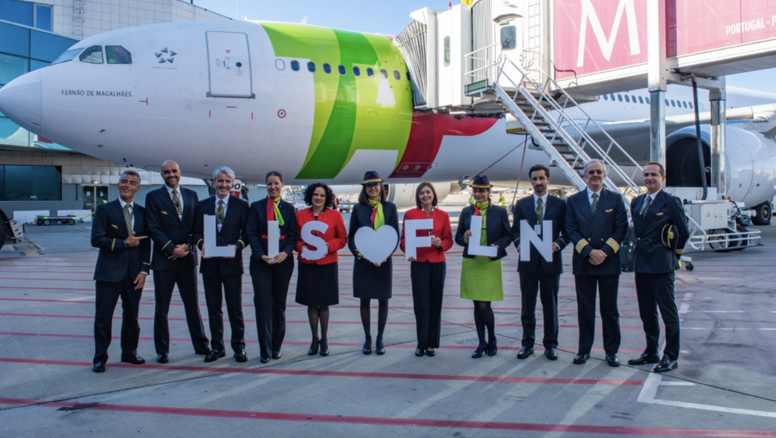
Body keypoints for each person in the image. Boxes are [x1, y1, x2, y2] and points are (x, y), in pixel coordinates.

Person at [146, 160, 209, 364]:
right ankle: (162, 350)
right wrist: (171, 248)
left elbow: (196, 225)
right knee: (161, 307)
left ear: (180, 172)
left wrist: (187, 247)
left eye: (174, 171)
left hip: (187, 259)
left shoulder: (191, 195)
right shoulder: (153, 197)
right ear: (162, 175)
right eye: (166, 172)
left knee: (192, 305)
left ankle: (201, 344)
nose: (171, 174)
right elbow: (153, 228)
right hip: (164, 261)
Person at [566, 159, 628, 366]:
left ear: (605, 175)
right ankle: (584, 350)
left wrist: (605, 252)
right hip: (584, 262)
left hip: (608, 262)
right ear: (584, 176)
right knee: (585, 309)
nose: (595, 175)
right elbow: (571, 230)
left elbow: (621, 230)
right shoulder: (573, 201)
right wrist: (589, 251)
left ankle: (611, 351)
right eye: (591, 172)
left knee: (610, 310)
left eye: (599, 172)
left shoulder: (616, 199)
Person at [628, 162, 689, 373]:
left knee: (667, 311)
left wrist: (675, 256)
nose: (649, 178)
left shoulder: (671, 201)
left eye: (654, 175)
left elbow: (683, 231)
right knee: (647, 312)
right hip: (642, 263)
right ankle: (651, 351)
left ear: (662, 177)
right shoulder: (636, 202)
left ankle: (671, 356)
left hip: (662, 265)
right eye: (646, 175)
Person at [90, 170, 151, 373]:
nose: (127, 185)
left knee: (132, 316)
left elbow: (145, 245)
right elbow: (97, 239)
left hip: (134, 273)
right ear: (118, 185)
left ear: (137, 188)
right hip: (109, 272)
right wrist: (124, 243)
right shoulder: (105, 210)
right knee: (103, 317)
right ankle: (100, 358)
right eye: (124, 181)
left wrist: (144, 271)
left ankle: (129, 352)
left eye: (132, 183)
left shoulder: (142, 213)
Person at [191, 166, 250, 363]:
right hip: (210, 266)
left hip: (232, 264)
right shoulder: (203, 205)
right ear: (213, 182)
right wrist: (201, 245)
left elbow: (247, 234)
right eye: (220, 181)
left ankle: (238, 346)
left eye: (227, 181)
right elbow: (196, 232)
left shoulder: (241, 206)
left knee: (235, 308)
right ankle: (217, 347)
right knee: (213, 308)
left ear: (232, 183)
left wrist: (237, 247)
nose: (223, 185)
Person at [511, 164, 568, 361]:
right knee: (528, 306)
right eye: (534, 179)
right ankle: (527, 344)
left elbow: (567, 233)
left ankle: (550, 345)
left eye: (541, 178)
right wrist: (518, 244)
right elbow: (515, 230)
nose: (538, 183)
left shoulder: (560, 205)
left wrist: (557, 245)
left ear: (548, 180)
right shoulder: (522, 204)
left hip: (550, 262)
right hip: (527, 261)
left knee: (550, 306)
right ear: (531, 181)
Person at [455, 175, 512, 358]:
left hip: (489, 262)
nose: (479, 194)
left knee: (484, 305)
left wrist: (498, 245)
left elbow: (507, 235)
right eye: (476, 190)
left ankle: (492, 338)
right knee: (476, 304)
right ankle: (481, 342)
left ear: (489, 192)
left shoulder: (499, 212)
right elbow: (458, 237)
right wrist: (464, 238)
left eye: (482, 190)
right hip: (472, 262)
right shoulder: (466, 212)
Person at [247, 171, 298, 363]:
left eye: (276, 183)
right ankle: (264, 349)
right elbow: (251, 233)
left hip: (283, 263)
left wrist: (286, 252)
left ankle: (276, 345)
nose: (273, 187)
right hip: (262, 263)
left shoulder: (289, 208)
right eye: (269, 184)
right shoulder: (257, 207)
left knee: (279, 305)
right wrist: (260, 255)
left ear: (282, 184)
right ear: (265, 186)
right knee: (262, 305)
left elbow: (293, 235)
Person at [348, 171, 399, 355]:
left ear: (380, 187)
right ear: (365, 188)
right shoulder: (358, 209)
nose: (372, 188)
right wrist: (360, 254)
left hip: (384, 262)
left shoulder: (390, 208)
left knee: (383, 299)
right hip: (364, 262)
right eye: (369, 185)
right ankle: (368, 337)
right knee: (365, 300)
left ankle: (380, 338)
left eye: (375, 184)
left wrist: (385, 254)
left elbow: (395, 236)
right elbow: (352, 237)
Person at [400, 182, 453, 357]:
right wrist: (408, 251)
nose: (425, 195)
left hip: (438, 262)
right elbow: (404, 240)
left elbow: (449, 241)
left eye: (428, 192)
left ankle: (431, 344)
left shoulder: (443, 215)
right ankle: (421, 343)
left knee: (435, 304)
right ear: (418, 197)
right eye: (421, 193)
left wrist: (441, 244)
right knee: (422, 305)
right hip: (419, 263)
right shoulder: (410, 214)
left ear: (434, 195)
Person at [295, 182, 347, 357]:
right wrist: (301, 247)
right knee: (311, 303)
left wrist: (327, 246)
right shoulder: (300, 215)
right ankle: (314, 338)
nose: (318, 198)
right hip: (308, 264)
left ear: (327, 198)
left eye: (322, 195)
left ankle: (324, 338)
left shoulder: (335, 215)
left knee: (324, 303)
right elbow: (294, 237)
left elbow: (342, 239)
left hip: (327, 264)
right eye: (315, 194)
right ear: (310, 196)